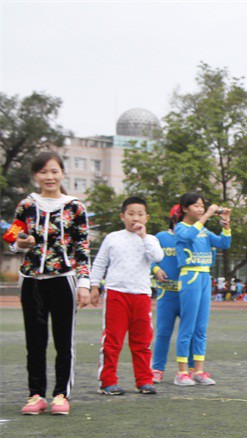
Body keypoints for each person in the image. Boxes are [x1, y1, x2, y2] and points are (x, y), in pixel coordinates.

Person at [12, 152, 92, 416]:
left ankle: (61, 394)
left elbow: (82, 246)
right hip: (32, 279)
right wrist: (18, 243)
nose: (49, 177)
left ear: (62, 173)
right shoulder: (26, 205)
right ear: (36, 175)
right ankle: (35, 395)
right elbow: (12, 235)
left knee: (63, 339)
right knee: (34, 340)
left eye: (54, 171)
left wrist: (84, 281)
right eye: (44, 172)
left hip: (63, 279)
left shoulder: (75, 207)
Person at [89, 196, 164, 395]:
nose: (135, 218)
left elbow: (157, 257)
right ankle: (107, 381)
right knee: (113, 340)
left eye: (140, 214)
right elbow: (99, 263)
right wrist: (94, 286)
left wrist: (144, 236)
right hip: (116, 294)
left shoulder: (151, 240)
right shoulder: (113, 238)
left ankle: (144, 380)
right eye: (131, 214)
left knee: (142, 341)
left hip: (141, 295)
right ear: (123, 216)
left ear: (146, 217)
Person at [172, 192, 232, 386]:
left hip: (205, 277)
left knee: (201, 327)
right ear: (185, 208)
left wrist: (226, 224)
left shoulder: (205, 232)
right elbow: (189, 235)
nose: (200, 209)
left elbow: (224, 243)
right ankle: (181, 372)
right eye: (196, 206)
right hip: (190, 276)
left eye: (202, 206)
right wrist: (206, 215)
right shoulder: (181, 227)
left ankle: (198, 370)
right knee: (187, 325)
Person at [150, 205, 193, 383]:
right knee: (163, 332)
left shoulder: (191, 237)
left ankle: (191, 368)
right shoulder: (161, 237)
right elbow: (150, 259)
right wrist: (157, 268)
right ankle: (157, 368)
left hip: (188, 293)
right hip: (166, 294)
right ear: (174, 218)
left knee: (189, 332)